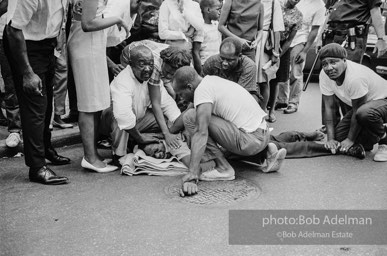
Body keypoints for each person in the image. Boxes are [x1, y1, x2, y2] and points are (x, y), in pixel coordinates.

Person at [172, 66, 287, 196]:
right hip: (264, 134)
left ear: (189, 87)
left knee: (191, 118)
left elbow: (201, 132)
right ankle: (267, 153)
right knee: (218, 146)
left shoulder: (202, 92)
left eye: (181, 94)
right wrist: (168, 131)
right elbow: (177, 125)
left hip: (251, 140)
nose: (181, 98)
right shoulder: (210, 81)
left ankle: (224, 168)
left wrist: (192, 172)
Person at [4, 0, 70, 185]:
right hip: (25, 46)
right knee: (35, 105)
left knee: (46, 102)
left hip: (46, 45)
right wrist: (27, 72)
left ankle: (45, 148)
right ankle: (37, 167)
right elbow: (13, 31)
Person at [67, 0, 130, 173]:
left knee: (94, 104)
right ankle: (90, 157)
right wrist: (117, 19)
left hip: (92, 44)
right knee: (88, 105)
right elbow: (88, 24)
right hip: (86, 45)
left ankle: (93, 154)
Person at [100, 45, 185, 166]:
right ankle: (119, 154)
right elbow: (123, 117)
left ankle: (135, 140)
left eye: (150, 64)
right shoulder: (123, 80)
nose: (147, 69)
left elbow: (167, 105)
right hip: (114, 123)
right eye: (141, 64)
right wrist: (140, 138)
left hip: (138, 120)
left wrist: (181, 127)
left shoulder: (151, 79)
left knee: (167, 122)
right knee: (120, 117)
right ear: (131, 64)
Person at [319, 43, 387, 162]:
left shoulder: (355, 77)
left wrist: (350, 139)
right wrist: (330, 139)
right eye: (325, 64)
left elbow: (357, 111)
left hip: (382, 101)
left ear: (344, 60)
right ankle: (369, 139)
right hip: (367, 105)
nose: (329, 68)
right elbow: (328, 108)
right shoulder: (324, 75)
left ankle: (384, 141)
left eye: (333, 62)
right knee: (338, 137)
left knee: (364, 113)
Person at [276, 0, 325, 114]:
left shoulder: (319, 6)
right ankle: (282, 100)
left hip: (300, 40)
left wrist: (305, 51)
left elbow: (314, 30)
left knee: (295, 71)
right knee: (282, 69)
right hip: (284, 38)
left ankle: (293, 102)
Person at [266, 0, 303, 123]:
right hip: (267, 42)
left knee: (276, 80)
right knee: (262, 78)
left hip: (283, 48)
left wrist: (278, 54)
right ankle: (261, 108)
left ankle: (271, 111)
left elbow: (289, 40)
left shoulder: (298, 15)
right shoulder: (276, 4)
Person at [203, 38, 259, 102]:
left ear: (239, 56)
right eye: (222, 58)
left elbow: (240, 95)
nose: (225, 63)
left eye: (229, 60)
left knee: (252, 98)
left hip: (240, 99)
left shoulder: (249, 66)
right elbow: (203, 87)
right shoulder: (211, 62)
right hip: (217, 97)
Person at [158, 0, 204, 73]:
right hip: (171, 48)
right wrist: (183, 34)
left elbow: (200, 26)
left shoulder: (194, 5)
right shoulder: (166, 4)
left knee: (186, 75)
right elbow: (162, 33)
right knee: (171, 75)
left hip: (187, 48)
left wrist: (184, 11)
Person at [0, 0, 22, 148]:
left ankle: (29, 128)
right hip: (4, 35)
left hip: (28, 35)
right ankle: (15, 129)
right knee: (10, 84)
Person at [256, 0, 285, 112]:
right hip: (249, 38)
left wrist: (276, 52)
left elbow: (277, 29)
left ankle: (263, 112)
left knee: (263, 81)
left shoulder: (274, 3)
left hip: (264, 41)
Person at [197, 0, 222, 75]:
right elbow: (196, 51)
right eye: (217, 9)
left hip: (218, 64)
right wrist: (200, 71)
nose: (219, 12)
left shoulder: (216, 24)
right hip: (206, 65)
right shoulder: (201, 28)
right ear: (208, 10)